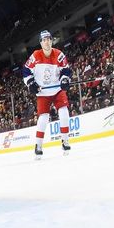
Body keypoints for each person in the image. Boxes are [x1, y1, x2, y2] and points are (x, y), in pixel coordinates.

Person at [22, 30, 73, 159]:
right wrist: (31, 83)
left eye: (49, 39)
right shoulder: (35, 56)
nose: (47, 42)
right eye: (44, 40)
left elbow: (66, 70)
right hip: (43, 92)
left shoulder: (59, 54)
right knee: (43, 118)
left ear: (51, 40)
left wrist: (65, 80)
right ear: (40, 42)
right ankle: (38, 145)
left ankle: (65, 141)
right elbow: (26, 71)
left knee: (64, 112)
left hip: (57, 90)